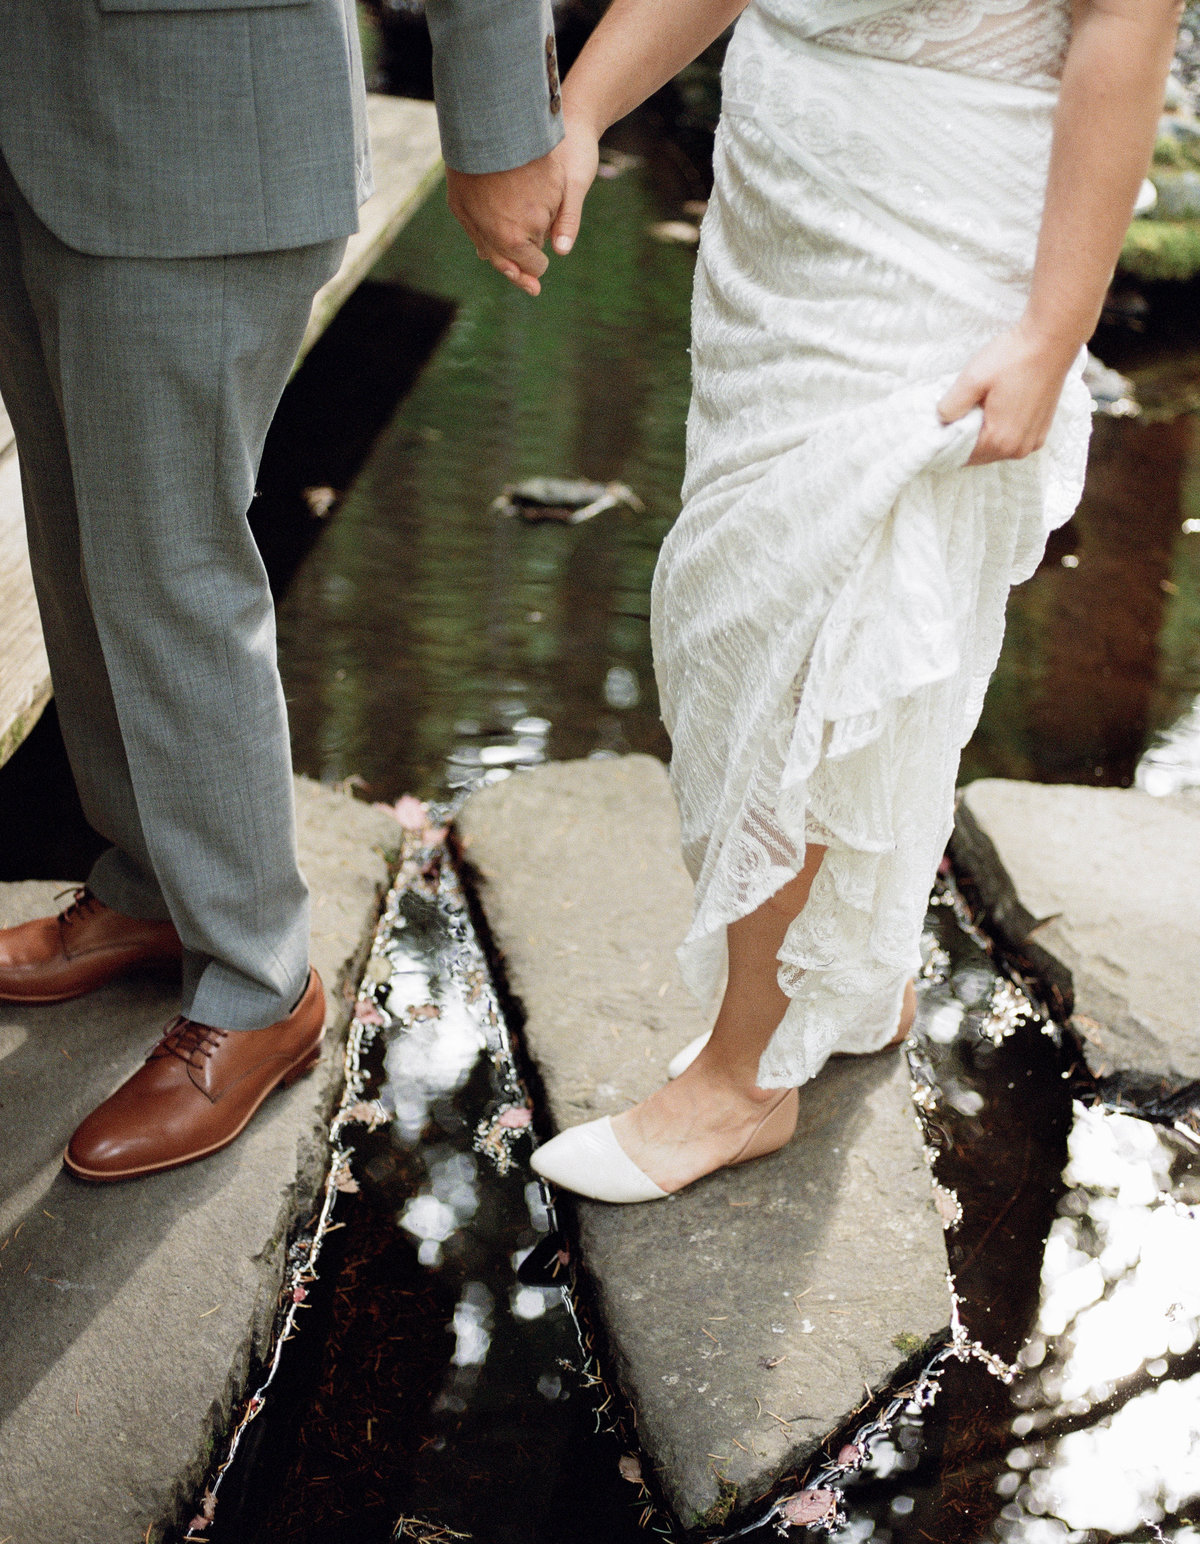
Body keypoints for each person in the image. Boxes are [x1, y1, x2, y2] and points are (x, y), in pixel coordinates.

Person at [505, 0, 1181, 1203]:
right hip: (778, 209)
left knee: (818, 603)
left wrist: (1053, 325)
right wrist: (582, 106)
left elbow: (1120, 27)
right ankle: (854, 977)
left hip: (943, 207)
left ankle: (743, 1077)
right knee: (751, 585)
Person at [0, 0, 564, 1181]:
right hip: (31, 110)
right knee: (74, 533)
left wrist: (502, 127)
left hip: (201, 131)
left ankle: (261, 985)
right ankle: (153, 884)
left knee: (169, 568)